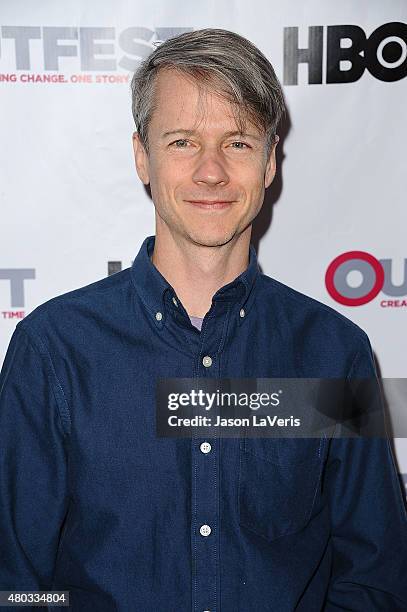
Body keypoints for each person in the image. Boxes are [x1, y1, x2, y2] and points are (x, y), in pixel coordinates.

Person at [0, 28, 406, 612]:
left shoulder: (333, 353)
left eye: (237, 143)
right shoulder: (56, 349)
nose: (211, 171)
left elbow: (375, 579)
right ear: (142, 156)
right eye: (183, 142)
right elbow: (17, 584)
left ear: (269, 163)